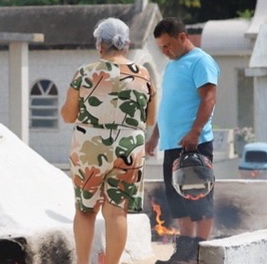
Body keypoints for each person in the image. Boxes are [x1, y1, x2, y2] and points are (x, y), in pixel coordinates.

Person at [61, 17, 156, 264]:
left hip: (89, 147)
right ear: (126, 45)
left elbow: (68, 115)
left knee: (85, 211)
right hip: (129, 147)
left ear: (100, 45)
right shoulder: (144, 75)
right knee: (117, 213)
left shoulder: (85, 73)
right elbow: (150, 119)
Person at [146, 17, 219, 264]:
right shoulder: (172, 66)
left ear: (182, 37)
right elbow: (169, 105)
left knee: (199, 197)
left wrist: (195, 132)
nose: (165, 52)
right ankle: (185, 251)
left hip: (194, 143)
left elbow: (209, 98)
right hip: (171, 144)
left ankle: (201, 250)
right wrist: (155, 137)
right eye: (161, 48)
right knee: (177, 200)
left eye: (167, 46)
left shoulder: (201, 61)